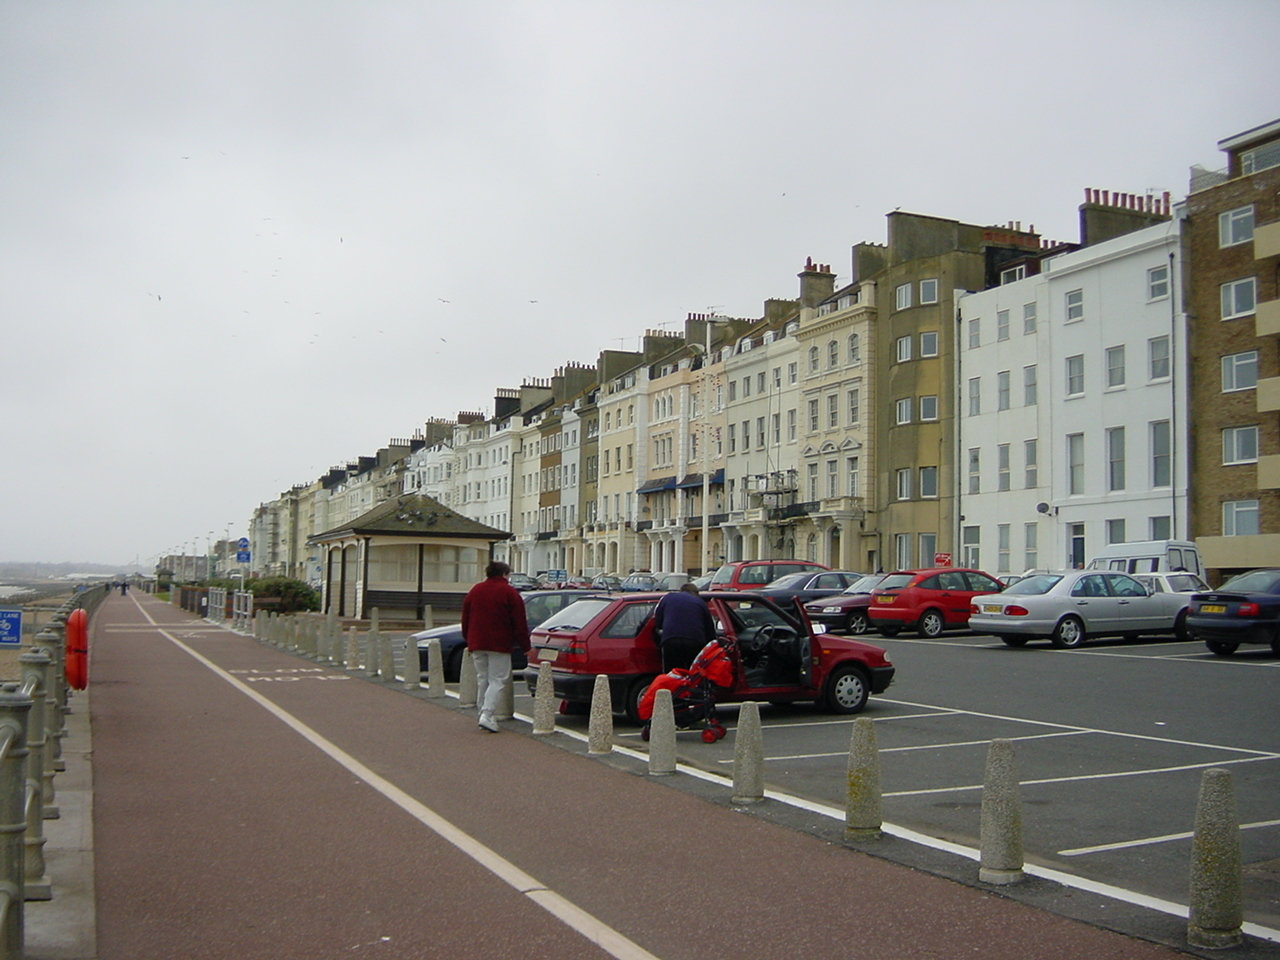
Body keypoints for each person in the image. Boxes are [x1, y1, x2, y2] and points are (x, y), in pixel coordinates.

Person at [460, 560, 530, 733]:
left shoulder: (475, 590)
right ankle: (487, 713)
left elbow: (465, 619)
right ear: (505, 574)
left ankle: (482, 712)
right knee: (497, 680)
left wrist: (469, 640)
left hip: (477, 642)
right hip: (499, 643)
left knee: (482, 678)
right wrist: (525, 646)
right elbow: (519, 623)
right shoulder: (509, 593)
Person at [652, 582, 716, 672]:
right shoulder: (700, 602)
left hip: (671, 641)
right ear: (695, 593)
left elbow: (658, 621)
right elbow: (709, 628)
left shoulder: (668, 597)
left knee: (672, 672)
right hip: (694, 641)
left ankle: (673, 685)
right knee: (694, 673)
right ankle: (691, 685)